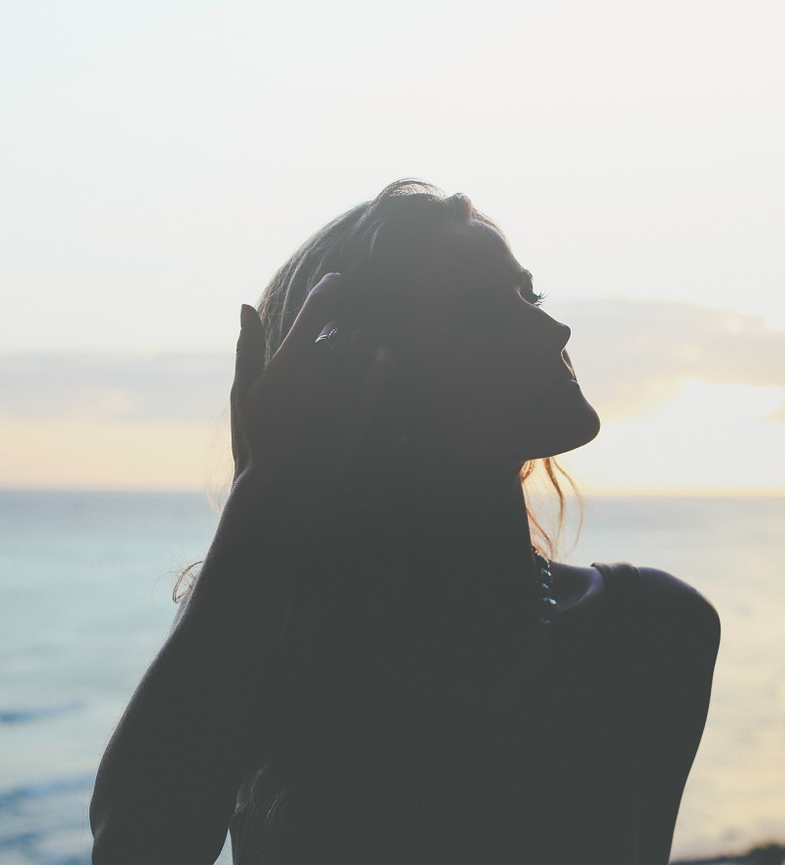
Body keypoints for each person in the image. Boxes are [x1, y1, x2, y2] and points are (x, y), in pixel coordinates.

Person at [89, 180, 720, 865]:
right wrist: (265, 491)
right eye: (484, 317)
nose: (553, 329)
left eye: (528, 296)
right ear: (372, 381)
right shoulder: (286, 646)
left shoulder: (657, 629)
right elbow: (136, 847)